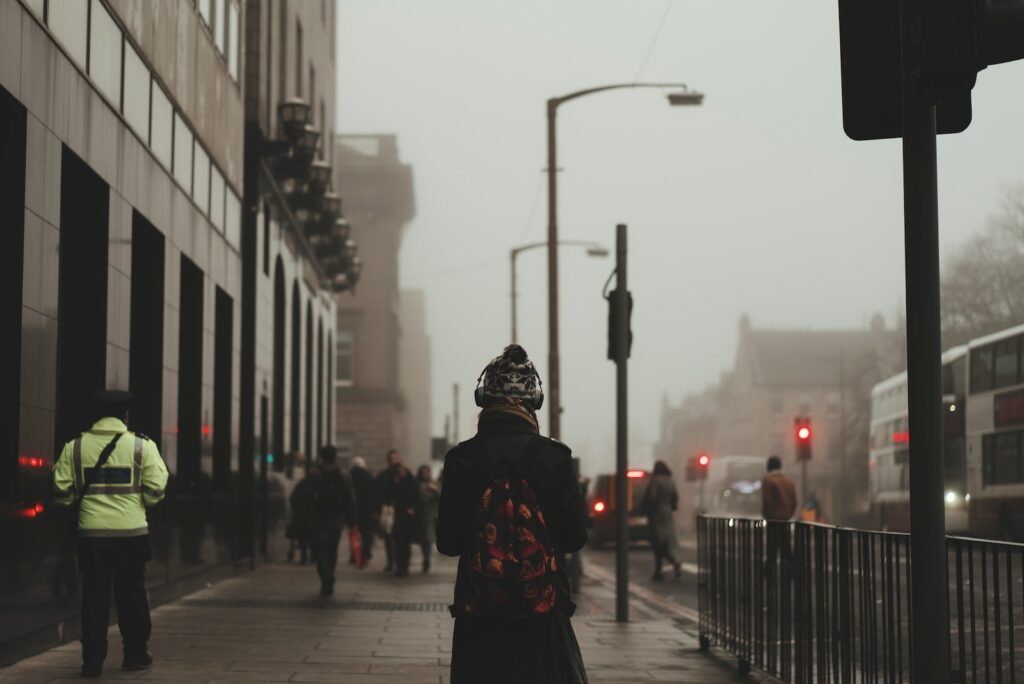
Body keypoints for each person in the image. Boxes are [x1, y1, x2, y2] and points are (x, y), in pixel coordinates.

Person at [437, 344, 589, 684]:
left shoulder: (461, 459)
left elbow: (447, 542)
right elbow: (575, 539)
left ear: (484, 401)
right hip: (542, 613)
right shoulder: (556, 457)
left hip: (479, 612)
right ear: (534, 403)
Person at [52, 390, 168, 678]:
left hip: (92, 534)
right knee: (132, 593)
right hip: (132, 533)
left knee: (94, 595)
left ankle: (92, 661)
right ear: (125, 415)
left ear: (98, 415)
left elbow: (61, 491)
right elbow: (157, 488)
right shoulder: (142, 446)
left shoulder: (75, 447)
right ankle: (135, 654)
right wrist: (140, 503)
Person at [305, 445, 356, 596]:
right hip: (336, 518)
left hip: (318, 517)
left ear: (321, 456)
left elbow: (306, 496)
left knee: (320, 550)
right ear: (335, 457)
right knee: (332, 549)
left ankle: (325, 576)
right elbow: (351, 498)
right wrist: (352, 519)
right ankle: (330, 574)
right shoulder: (344, 474)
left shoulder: (313, 473)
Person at [642, 460, 682, 581]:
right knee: (666, 541)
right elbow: (675, 497)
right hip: (668, 513)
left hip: (657, 514)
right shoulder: (670, 480)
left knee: (657, 543)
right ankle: (669, 564)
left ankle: (665, 566)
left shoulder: (655, 480)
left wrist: (646, 509)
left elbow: (652, 497)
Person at [761, 455, 797, 574]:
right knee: (785, 545)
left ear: (768, 467)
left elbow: (767, 500)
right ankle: (792, 567)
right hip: (785, 519)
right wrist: (788, 514)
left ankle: (769, 570)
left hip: (773, 519)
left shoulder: (768, 480)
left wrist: (766, 515)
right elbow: (794, 501)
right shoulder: (789, 482)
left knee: (772, 546)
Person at [390, 464, 419, 577]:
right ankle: (399, 566)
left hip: (407, 517)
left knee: (405, 544)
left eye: (403, 471)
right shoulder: (394, 482)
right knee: (398, 543)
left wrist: (412, 509)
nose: (401, 473)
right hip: (397, 516)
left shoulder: (410, 482)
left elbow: (415, 498)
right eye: (399, 471)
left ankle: (404, 565)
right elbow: (390, 496)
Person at [375, 450, 402, 572]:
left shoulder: (402, 474)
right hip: (387, 509)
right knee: (388, 536)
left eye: (395, 458)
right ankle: (391, 562)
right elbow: (378, 491)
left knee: (398, 538)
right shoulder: (384, 475)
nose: (394, 460)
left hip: (400, 509)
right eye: (392, 458)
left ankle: (397, 561)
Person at [349, 456, 377, 568]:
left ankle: (354, 555)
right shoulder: (368, 476)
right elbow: (373, 493)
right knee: (366, 535)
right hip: (367, 511)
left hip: (353, 510)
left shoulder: (349, 476)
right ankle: (365, 555)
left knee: (354, 534)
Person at [416, 465, 441, 574]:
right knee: (424, 540)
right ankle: (425, 557)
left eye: (427, 472)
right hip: (422, 515)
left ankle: (427, 558)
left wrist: (434, 490)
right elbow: (421, 498)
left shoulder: (434, 483)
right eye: (423, 472)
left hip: (432, 515)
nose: (425, 474)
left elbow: (441, 495)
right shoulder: (419, 484)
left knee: (429, 539)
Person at [287, 473, 314, 564]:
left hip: (301, 515)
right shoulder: (318, 484)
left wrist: (296, 509)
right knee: (313, 537)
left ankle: (304, 557)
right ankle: (313, 557)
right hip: (313, 516)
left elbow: (292, 498)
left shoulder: (302, 484)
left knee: (302, 537)